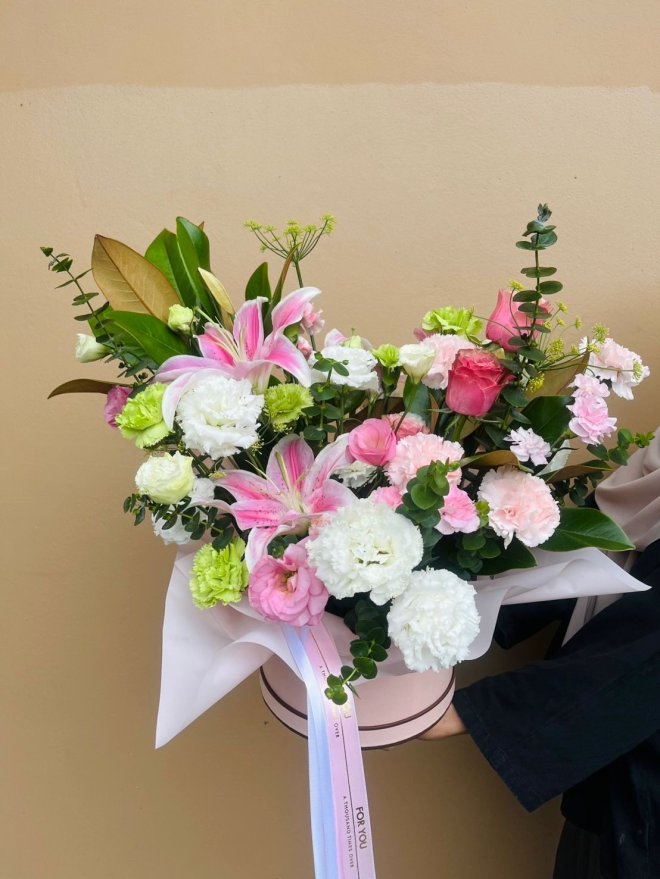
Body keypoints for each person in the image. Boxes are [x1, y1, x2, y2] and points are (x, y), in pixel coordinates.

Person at [421, 433, 660, 878]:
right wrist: (419, 616)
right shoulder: (651, 470)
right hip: (610, 778)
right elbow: (584, 557)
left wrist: (463, 714)